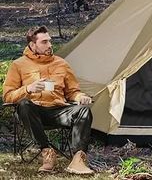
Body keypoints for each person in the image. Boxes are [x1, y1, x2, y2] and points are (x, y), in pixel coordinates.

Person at [2, 26, 94, 175]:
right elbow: (7, 96)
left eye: (49, 41)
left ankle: (78, 160)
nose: (50, 45)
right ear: (32, 45)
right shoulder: (18, 65)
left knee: (83, 110)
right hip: (34, 112)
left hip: (58, 110)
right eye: (44, 42)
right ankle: (47, 152)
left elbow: (72, 92)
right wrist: (28, 89)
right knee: (24, 104)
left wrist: (80, 97)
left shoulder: (61, 63)